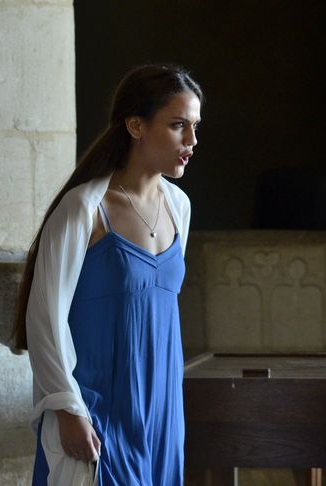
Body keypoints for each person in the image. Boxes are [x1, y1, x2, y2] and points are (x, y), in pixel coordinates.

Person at [12, 64, 202, 485]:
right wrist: (66, 408)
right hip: (95, 404)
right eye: (177, 126)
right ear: (136, 125)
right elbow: (44, 315)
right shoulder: (84, 208)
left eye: (194, 126)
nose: (191, 141)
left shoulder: (179, 208)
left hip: (162, 408)